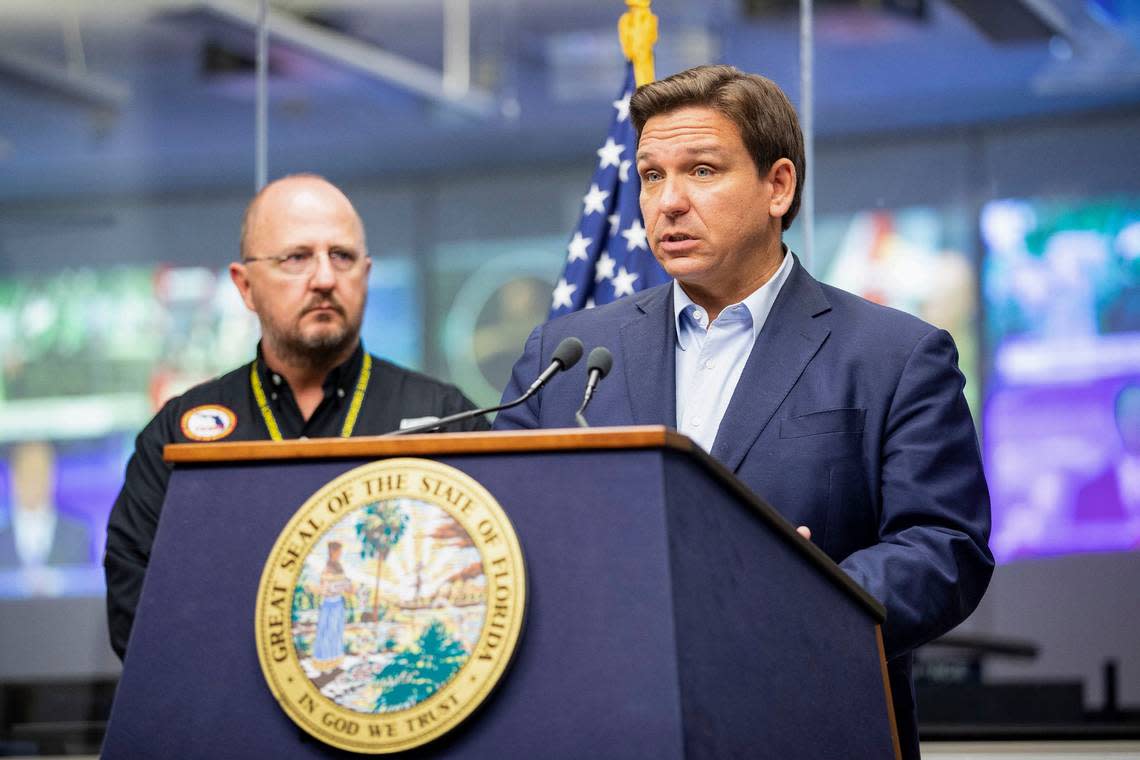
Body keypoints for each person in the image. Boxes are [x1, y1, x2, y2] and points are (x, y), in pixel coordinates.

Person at [494, 65, 992, 759]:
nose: (667, 202)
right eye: (651, 175)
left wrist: (803, 599)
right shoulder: (571, 353)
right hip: (606, 728)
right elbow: (496, 520)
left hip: (807, 725)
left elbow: (945, 548)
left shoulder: (894, 355)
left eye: (701, 171)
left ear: (777, 187)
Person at [105, 174, 488, 660]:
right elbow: (133, 611)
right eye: (297, 258)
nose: (325, 278)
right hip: (226, 724)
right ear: (245, 286)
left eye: (342, 257)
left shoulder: (448, 418)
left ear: (365, 275)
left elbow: (479, 594)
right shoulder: (178, 433)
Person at [0, 441, 89, 568]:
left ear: (52, 475)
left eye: (40, 470)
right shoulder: (1, 536)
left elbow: (86, 585)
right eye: (26, 470)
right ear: (13, 476)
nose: (33, 480)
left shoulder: (78, 535)